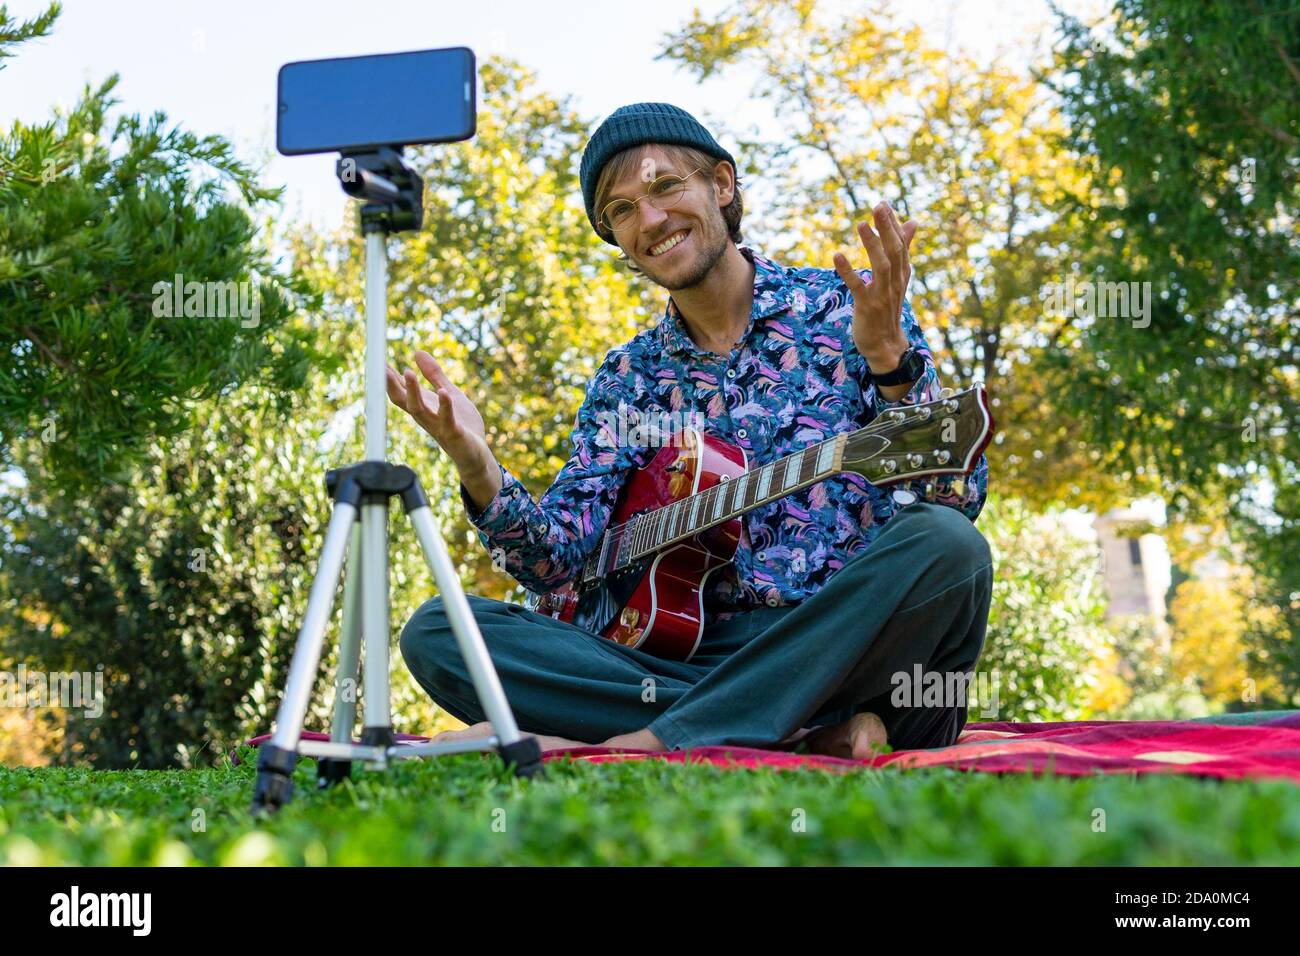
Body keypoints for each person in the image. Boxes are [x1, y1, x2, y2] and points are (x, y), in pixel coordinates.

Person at [388, 103, 992, 759]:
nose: (649, 220)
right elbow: (551, 564)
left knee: (951, 546)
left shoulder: (848, 308)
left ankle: (654, 736)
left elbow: (958, 497)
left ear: (721, 186)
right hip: (681, 660)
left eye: (665, 186)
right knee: (437, 631)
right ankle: (799, 730)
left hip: (842, 640)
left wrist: (890, 363)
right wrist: (478, 467)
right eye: (620, 210)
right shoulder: (628, 377)